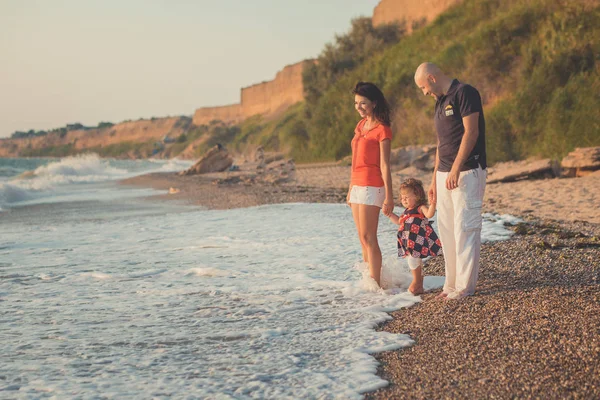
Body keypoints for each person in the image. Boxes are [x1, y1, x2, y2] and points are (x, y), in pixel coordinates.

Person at [413, 62, 487, 300]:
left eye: (423, 87)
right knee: (447, 232)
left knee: (465, 228)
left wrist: (456, 168)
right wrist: (434, 178)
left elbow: (471, 132)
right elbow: (440, 144)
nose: (424, 92)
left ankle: (465, 288)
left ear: (432, 78)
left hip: (467, 171)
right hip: (445, 174)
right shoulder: (439, 101)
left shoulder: (465, 92)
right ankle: (451, 285)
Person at [347, 82, 394, 287]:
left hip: (372, 185)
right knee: (361, 238)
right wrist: (350, 189)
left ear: (374, 103)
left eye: (363, 103)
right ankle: (370, 281)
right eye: (356, 103)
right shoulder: (360, 126)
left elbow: (385, 165)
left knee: (369, 237)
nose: (359, 107)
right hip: (357, 186)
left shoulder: (382, 130)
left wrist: (390, 197)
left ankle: (375, 285)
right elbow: (354, 160)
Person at [387, 178, 442, 295]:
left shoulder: (420, 208)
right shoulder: (406, 211)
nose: (403, 200)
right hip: (409, 241)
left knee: (413, 260)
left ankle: (416, 282)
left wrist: (433, 203)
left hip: (418, 239)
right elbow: (398, 221)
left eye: (406, 197)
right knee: (414, 260)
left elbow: (430, 214)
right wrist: (390, 214)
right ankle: (419, 286)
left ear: (417, 196)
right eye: (402, 198)